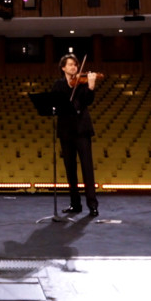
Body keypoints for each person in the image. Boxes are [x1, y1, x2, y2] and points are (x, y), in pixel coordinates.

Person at [52, 54, 100, 217]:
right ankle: (75, 204)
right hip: (66, 131)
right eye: (70, 65)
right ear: (63, 68)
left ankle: (92, 205)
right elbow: (56, 104)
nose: (74, 67)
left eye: (76, 65)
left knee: (87, 169)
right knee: (70, 169)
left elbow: (87, 101)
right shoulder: (58, 85)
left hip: (82, 130)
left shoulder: (82, 83)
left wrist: (91, 86)